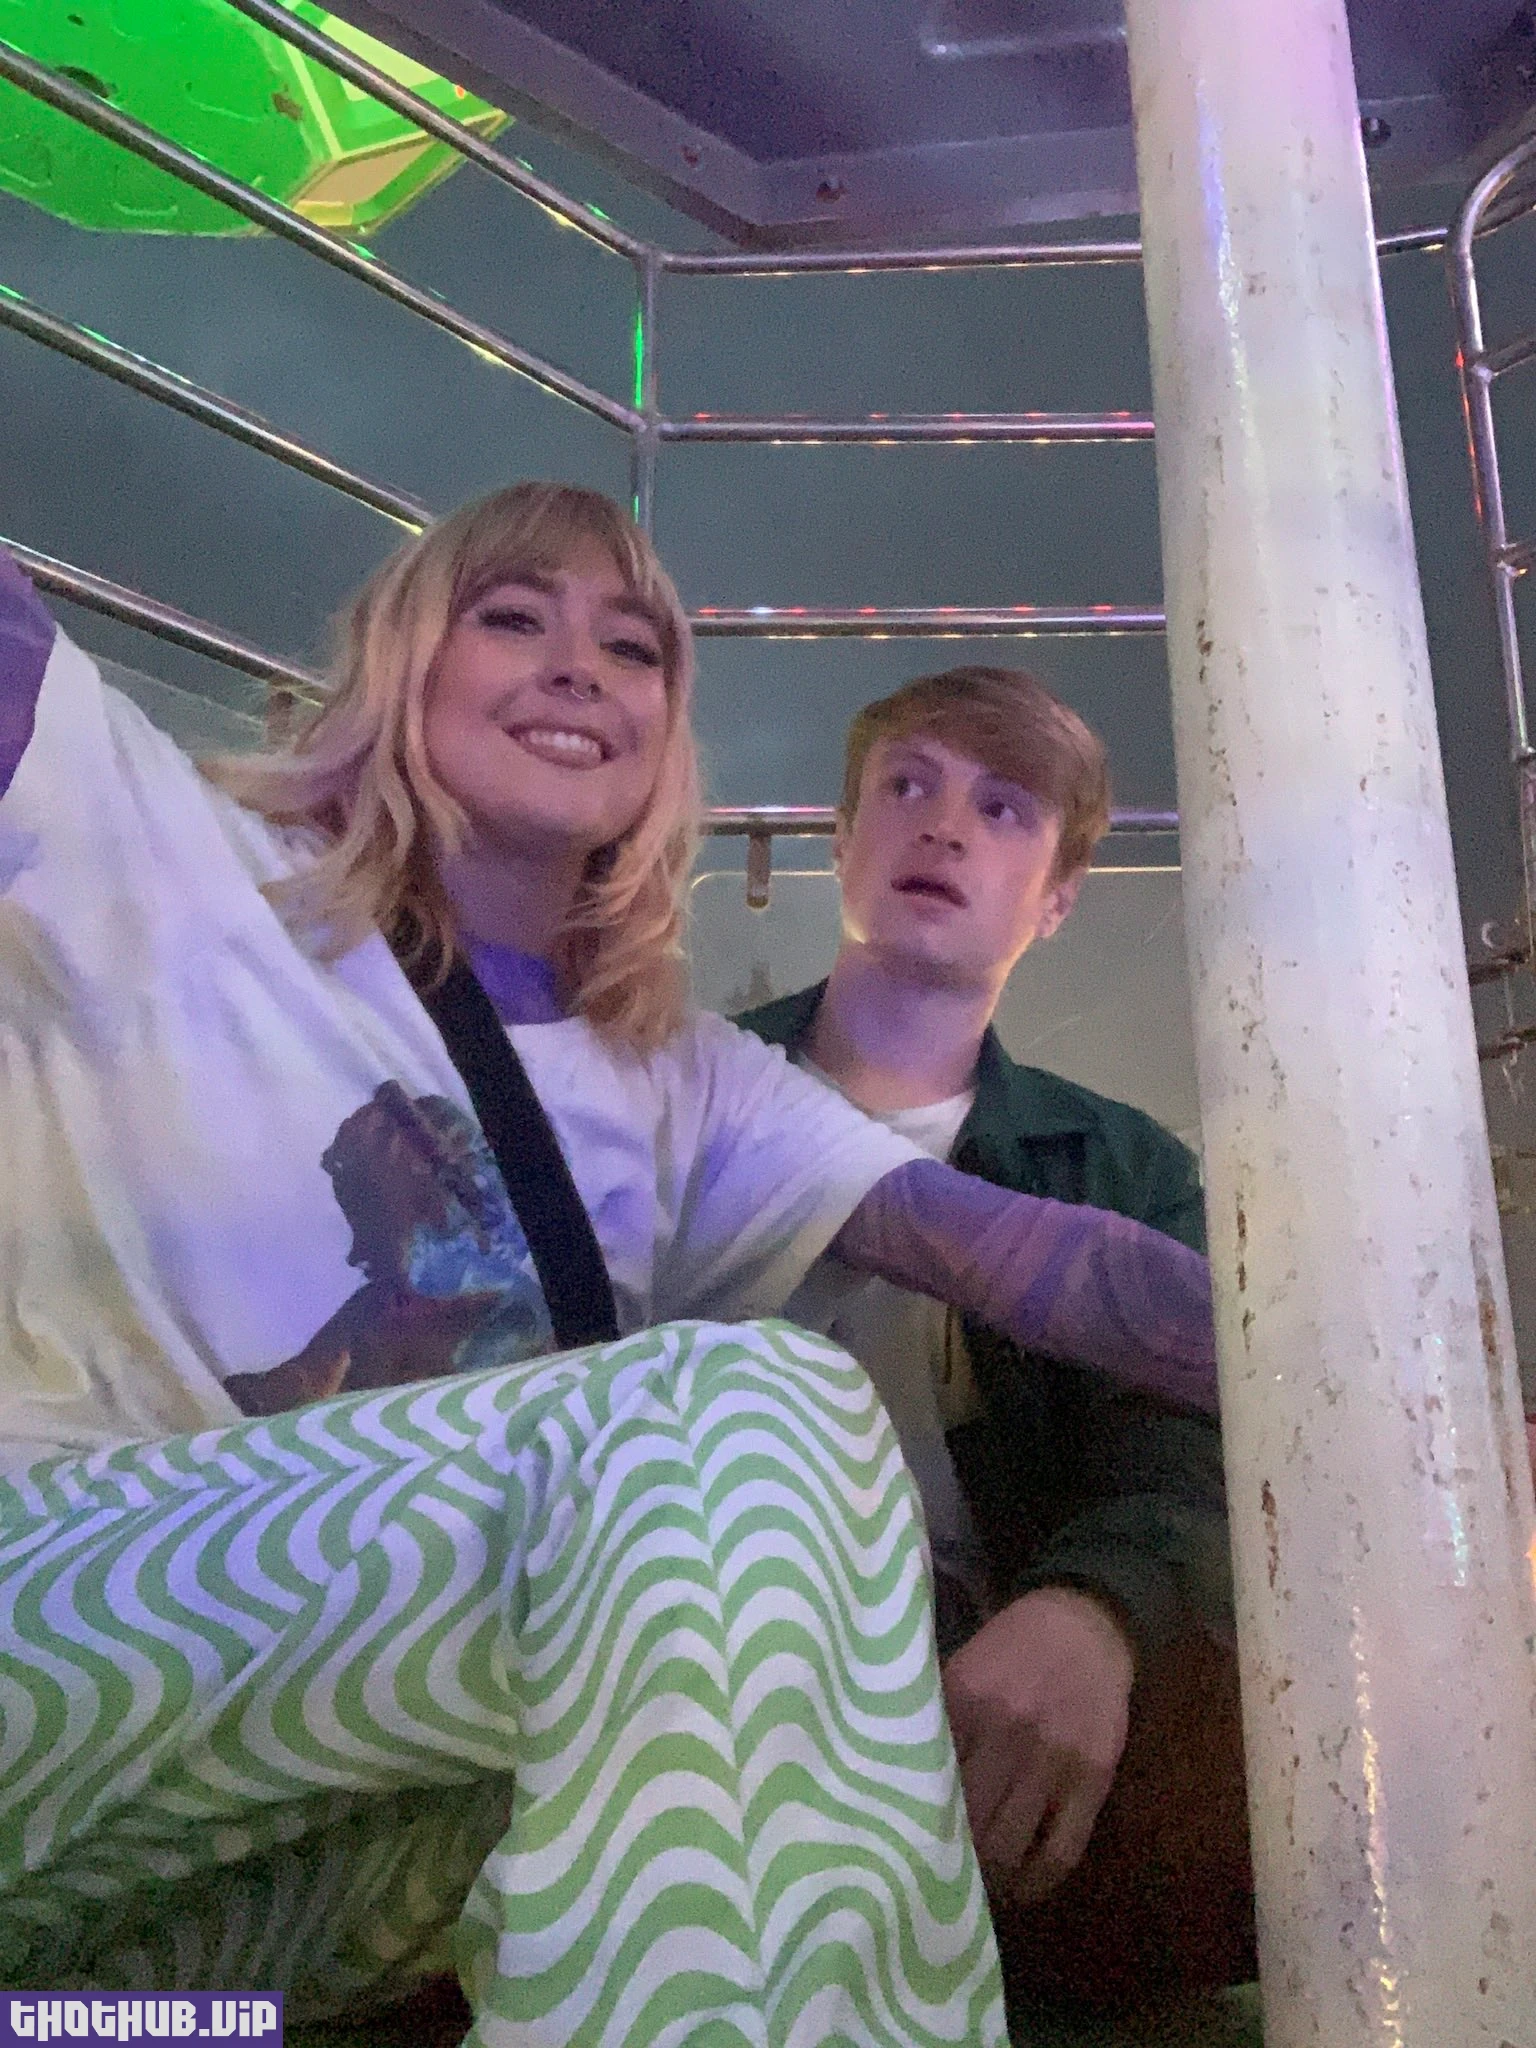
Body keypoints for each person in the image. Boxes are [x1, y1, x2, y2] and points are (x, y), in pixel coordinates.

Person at [0, 488, 1216, 2045]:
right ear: (400, 660)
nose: (578, 664)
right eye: (512, 615)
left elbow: (1029, 1256)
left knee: (746, 1704)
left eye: (633, 647)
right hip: (58, 1668)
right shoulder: (147, 839)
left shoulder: (681, 1078)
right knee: (751, 1411)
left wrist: (1392, 1366)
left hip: (260, 1879)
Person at [737, 665, 1256, 2013]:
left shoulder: (1118, 1163)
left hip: (987, 1704)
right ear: (841, 838)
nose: (944, 826)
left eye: (1004, 807)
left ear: (1060, 897)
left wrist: (1096, 1610)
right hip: (700, 1666)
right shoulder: (679, 1090)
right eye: (906, 786)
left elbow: (1193, 1444)